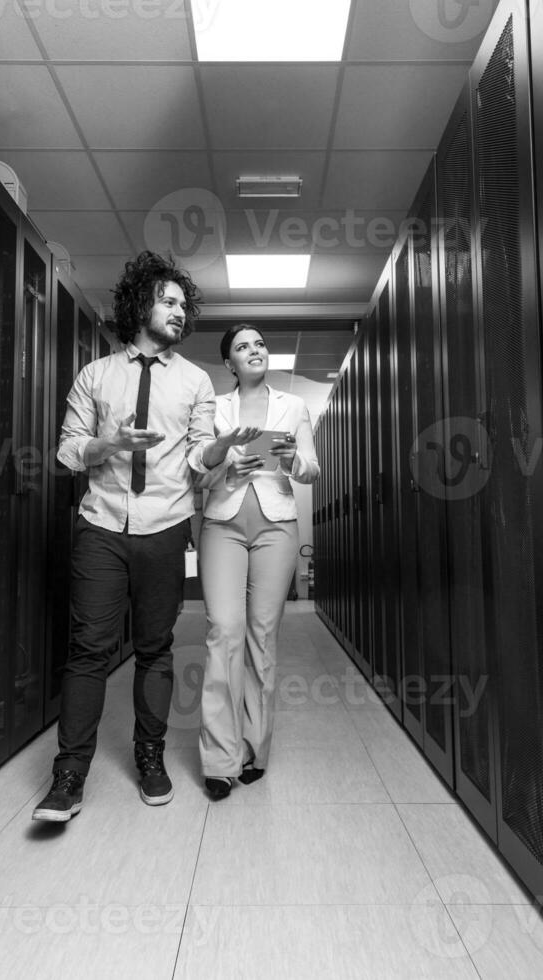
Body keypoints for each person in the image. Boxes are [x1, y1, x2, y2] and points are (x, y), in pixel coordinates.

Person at [32, 252, 257, 822]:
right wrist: (108, 445)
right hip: (102, 524)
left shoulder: (196, 380)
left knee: (156, 649)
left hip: (164, 526)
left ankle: (150, 757)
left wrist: (219, 449)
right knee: (88, 649)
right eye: (169, 301)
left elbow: (199, 457)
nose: (180, 313)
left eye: (185, 306)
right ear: (140, 304)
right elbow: (66, 449)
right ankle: (69, 774)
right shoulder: (96, 375)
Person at [192, 324, 320, 800]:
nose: (255, 350)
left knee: (261, 637)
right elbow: (197, 475)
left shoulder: (294, 406)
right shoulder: (213, 408)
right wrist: (227, 463)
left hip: (277, 527)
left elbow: (311, 469)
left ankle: (254, 751)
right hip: (222, 525)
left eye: (260, 344)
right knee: (223, 630)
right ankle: (219, 759)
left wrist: (287, 457)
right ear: (229, 363)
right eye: (243, 347)